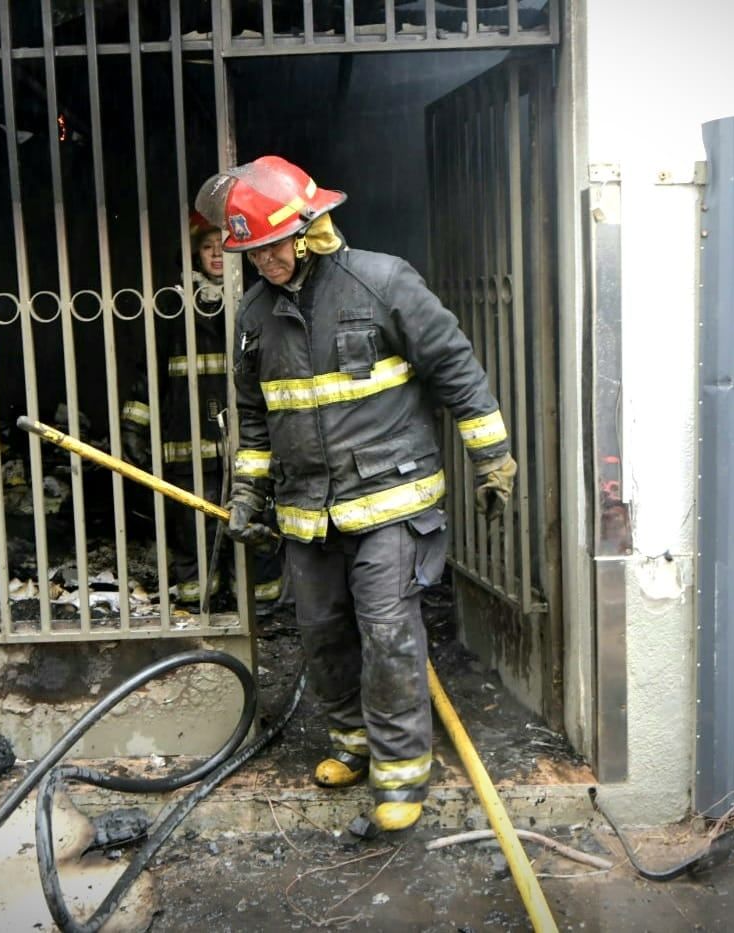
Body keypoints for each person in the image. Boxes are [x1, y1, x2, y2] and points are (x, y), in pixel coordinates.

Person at [195, 155, 517, 832]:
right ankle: (352, 742)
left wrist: (492, 458)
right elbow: (255, 418)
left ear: (311, 229)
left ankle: (402, 773)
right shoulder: (254, 315)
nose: (262, 262)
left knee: (387, 631)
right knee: (321, 633)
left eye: (270, 247)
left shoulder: (382, 281)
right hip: (306, 511)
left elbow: (455, 368)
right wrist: (248, 495)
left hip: (390, 503)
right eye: (248, 253)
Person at [121, 211, 282, 607]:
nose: (215, 255)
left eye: (221, 247)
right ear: (194, 253)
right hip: (188, 434)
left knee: (254, 516)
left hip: (248, 435)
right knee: (193, 524)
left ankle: (258, 604)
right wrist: (133, 425)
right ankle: (200, 602)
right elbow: (150, 370)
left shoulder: (259, 301)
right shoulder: (172, 306)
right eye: (207, 247)